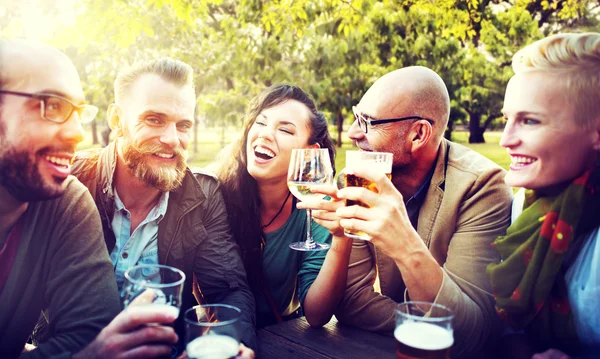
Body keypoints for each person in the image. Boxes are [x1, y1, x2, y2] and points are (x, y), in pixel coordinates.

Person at [301, 66, 513, 357]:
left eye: (367, 122)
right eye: (355, 115)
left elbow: (471, 335)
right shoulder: (361, 180)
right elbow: (350, 302)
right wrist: (421, 323)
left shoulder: (483, 188)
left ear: (418, 134)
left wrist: (403, 243)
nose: (351, 133)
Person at [0, 39, 177, 359]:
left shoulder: (65, 201)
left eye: (79, 113)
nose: (78, 133)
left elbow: (87, 335)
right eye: (52, 106)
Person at [70, 58, 257, 356]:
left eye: (183, 125)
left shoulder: (203, 195)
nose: (172, 139)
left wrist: (228, 343)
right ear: (117, 120)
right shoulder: (72, 181)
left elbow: (227, 290)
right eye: (154, 120)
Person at [486, 32, 600, 359]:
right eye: (507, 119)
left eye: (530, 121)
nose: (505, 140)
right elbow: (511, 328)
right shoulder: (528, 204)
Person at [215, 84, 353, 328]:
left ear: (309, 152)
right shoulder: (217, 194)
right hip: (225, 333)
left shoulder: (319, 209)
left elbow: (317, 314)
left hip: (284, 337)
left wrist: (341, 240)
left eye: (285, 130)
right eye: (261, 122)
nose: (265, 134)